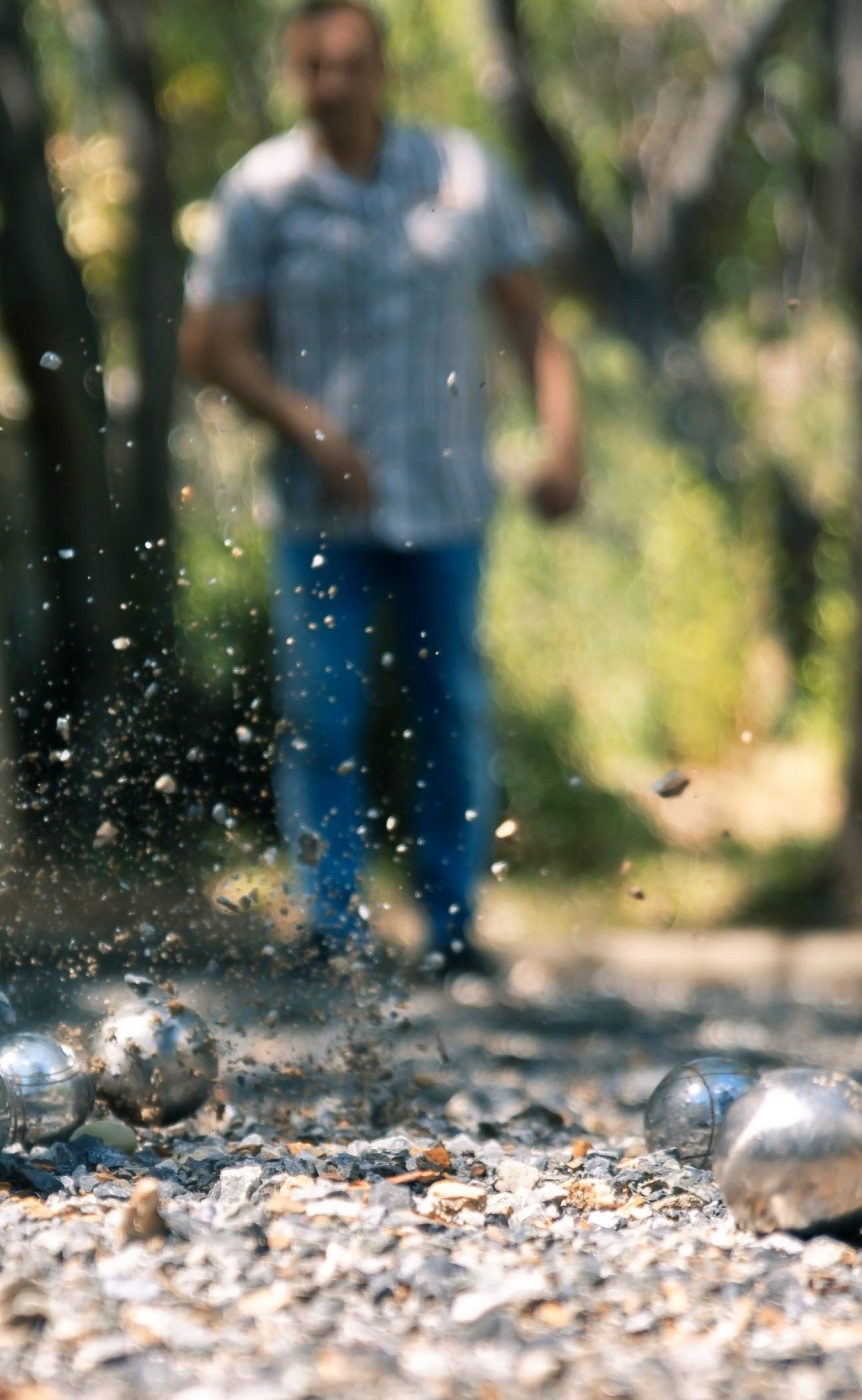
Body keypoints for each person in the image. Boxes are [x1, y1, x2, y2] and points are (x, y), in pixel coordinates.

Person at [180, 0, 583, 980]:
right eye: (314, 67)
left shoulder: (462, 175)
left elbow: (534, 325)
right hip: (322, 516)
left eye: (350, 64)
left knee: (450, 710)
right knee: (323, 718)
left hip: (445, 503)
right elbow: (206, 344)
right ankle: (331, 929)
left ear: (381, 70)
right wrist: (304, 421)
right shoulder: (261, 193)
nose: (333, 84)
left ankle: (452, 927)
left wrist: (562, 444)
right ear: (293, 74)